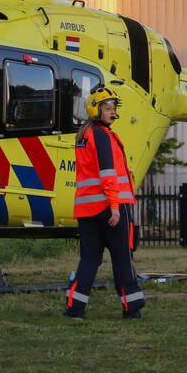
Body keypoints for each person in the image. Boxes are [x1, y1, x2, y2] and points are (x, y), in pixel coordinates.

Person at [64, 86, 144, 320]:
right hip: (111, 207)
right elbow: (107, 173)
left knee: (89, 260)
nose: (112, 112)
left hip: (87, 209)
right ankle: (132, 308)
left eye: (113, 108)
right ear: (95, 110)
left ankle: (75, 309)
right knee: (122, 258)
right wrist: (115, 207)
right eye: (107, 108)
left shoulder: (83, 136)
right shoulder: (102, 135)